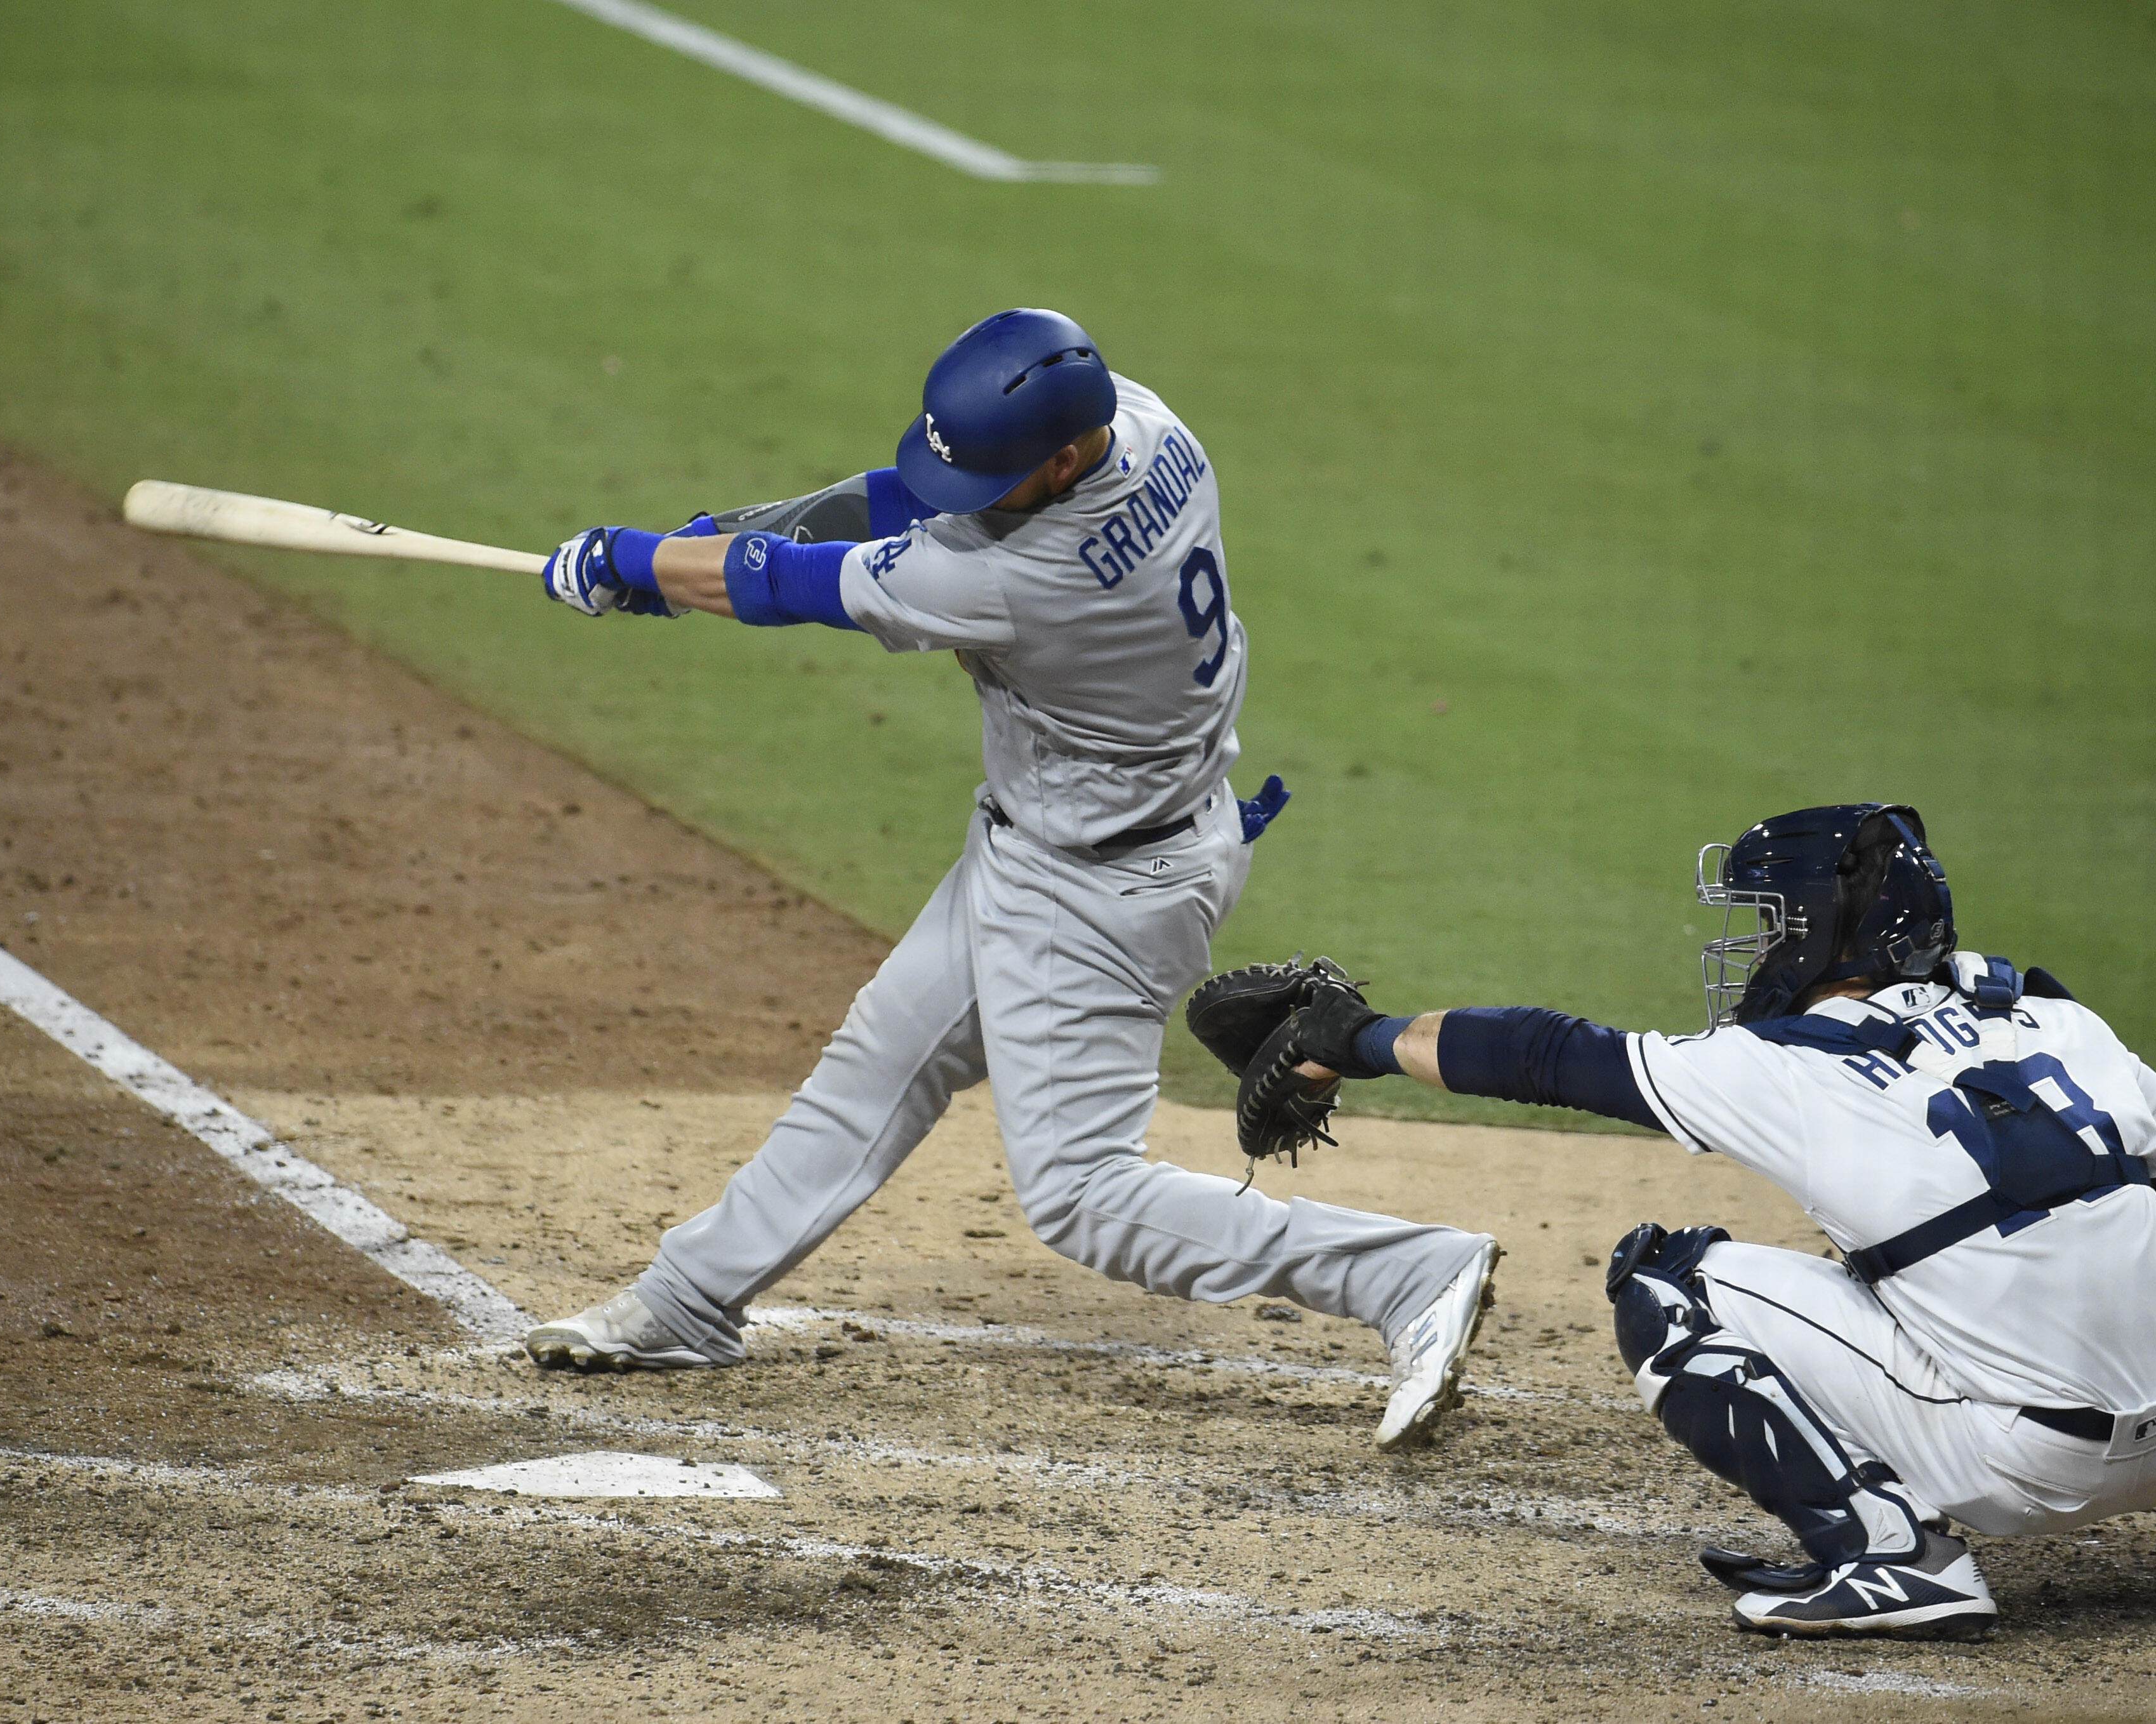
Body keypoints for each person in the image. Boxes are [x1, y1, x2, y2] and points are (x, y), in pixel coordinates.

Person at [520, 309, 1500, 1450]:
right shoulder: (1145, 421)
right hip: (1097, 841)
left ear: (1064, 459)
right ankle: (693, 1298)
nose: (968, 488)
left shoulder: (1025, 578)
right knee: (888, 1051)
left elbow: (789, 584)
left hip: (1096, 894)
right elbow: (892, 506)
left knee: (1086, 1197)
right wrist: (705, 545)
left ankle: (1410, 1276)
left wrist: (631, 562)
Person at [1254, 803, 2156, 1634]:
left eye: (1768, 923)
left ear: (1819, 931)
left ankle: (1895, 1561)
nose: (1754, 949)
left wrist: (1354, 1037)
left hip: (2031, 1465)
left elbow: (1548, 1054)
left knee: (1668, 1284)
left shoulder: (1781, 1067)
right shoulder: (2048, 1016)